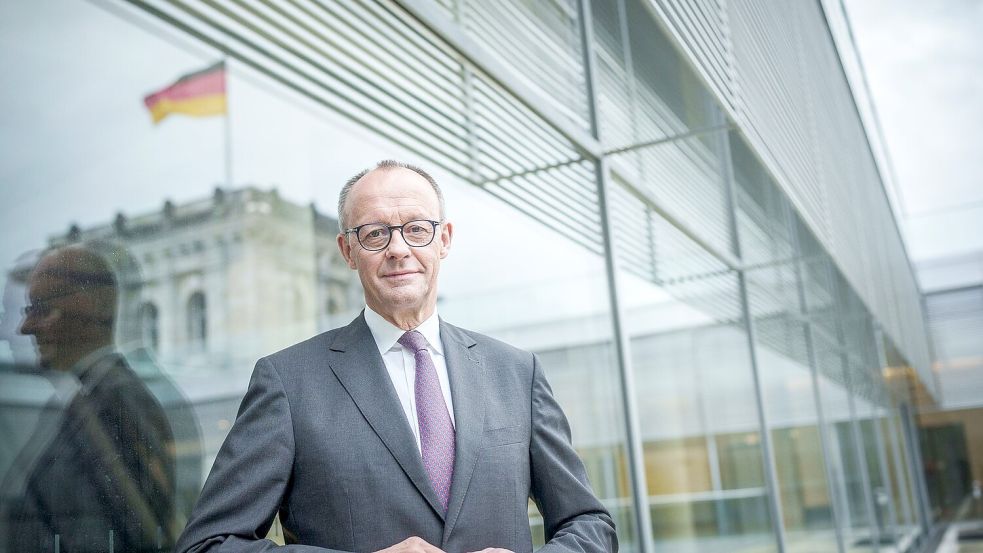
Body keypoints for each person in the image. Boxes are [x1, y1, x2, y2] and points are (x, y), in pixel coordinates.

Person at [175, 160, 617, 553]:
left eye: (417, 229)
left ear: (443, 239)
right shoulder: (287, 382)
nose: (399, 249)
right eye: (375, 234)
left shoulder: (518, 373)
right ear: (348, 251)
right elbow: (209, 543)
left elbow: (589, 524)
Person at [1, 245, 178, 552]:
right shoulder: (94, 397)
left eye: (41, 309)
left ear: (88, 310)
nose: (24, 327)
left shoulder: (117, 404)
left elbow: (108, 532)